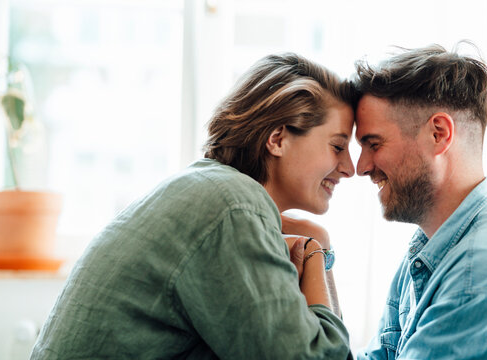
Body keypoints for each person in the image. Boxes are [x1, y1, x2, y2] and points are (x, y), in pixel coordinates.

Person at [30, 53, 357, 359]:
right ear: (277, 139)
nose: (349, 167)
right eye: (337, 146)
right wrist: (317, 253)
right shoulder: (234, 207)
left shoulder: (212, 191)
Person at [352, 44, 487, 358]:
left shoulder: (479, 277)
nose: (361, 166)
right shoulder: (432, 245)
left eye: (373, 143)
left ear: (438, 134)